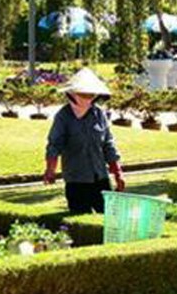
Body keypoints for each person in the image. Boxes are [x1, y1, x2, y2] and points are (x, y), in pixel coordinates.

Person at [44, 68, 125, 213]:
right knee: (80, 216)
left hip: (100, 177)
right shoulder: (63, 117)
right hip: (76, 179)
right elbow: (54, 145)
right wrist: (51, 170)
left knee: (108, 216)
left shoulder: (98, 114)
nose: (87, 98)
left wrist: (118, 174)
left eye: (90, 95)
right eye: (83, 94)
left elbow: (108, 144)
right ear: (72, 94)